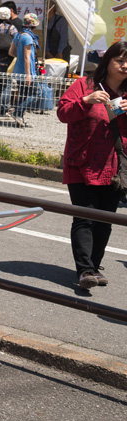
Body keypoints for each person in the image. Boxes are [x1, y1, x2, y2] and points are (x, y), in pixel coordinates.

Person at [57, 40, 127, 290]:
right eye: (120, 60)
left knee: (105, 221)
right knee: (84, 217)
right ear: (107, 60)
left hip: (115, 167)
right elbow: (63, 113)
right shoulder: (84, 85)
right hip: (81, 162)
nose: (125, 66)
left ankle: (95, 267)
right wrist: (86, 100)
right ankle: (85, 270)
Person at [4, 13, 41, 127]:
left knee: (24, 95)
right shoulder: (28, 38)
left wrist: (19, 57)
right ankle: (17, 112)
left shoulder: (18, 35)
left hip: (18, 70)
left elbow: (11, 52)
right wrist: (28, 74)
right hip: (27, 72)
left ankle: (20, 118)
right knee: (36, 93)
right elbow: (27, 57)